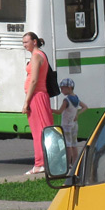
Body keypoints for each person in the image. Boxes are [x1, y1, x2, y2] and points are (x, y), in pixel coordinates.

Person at [21, 32, 54, 175]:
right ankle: (45, 162)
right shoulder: (42, 55)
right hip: (40, 95)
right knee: (43, 129)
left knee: (38, 131)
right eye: (23, 42)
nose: (24, 45)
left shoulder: (36, 57)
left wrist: (26, 102)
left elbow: (34, 80)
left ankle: (40, 163)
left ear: (34, 42)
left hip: (36, 96)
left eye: (26, 42)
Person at [58, 77, 86, 169]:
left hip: (66, 126)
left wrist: (48, 109)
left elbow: (59, 111)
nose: (61, 90)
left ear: (69, 88)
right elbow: (85, 107)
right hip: (74, 125)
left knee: (68, 145)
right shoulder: (76, 98)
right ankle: (75, 163)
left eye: (62, 88)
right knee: (74, 144)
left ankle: (68, 163)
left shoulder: (66, 100)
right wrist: (77, 114)